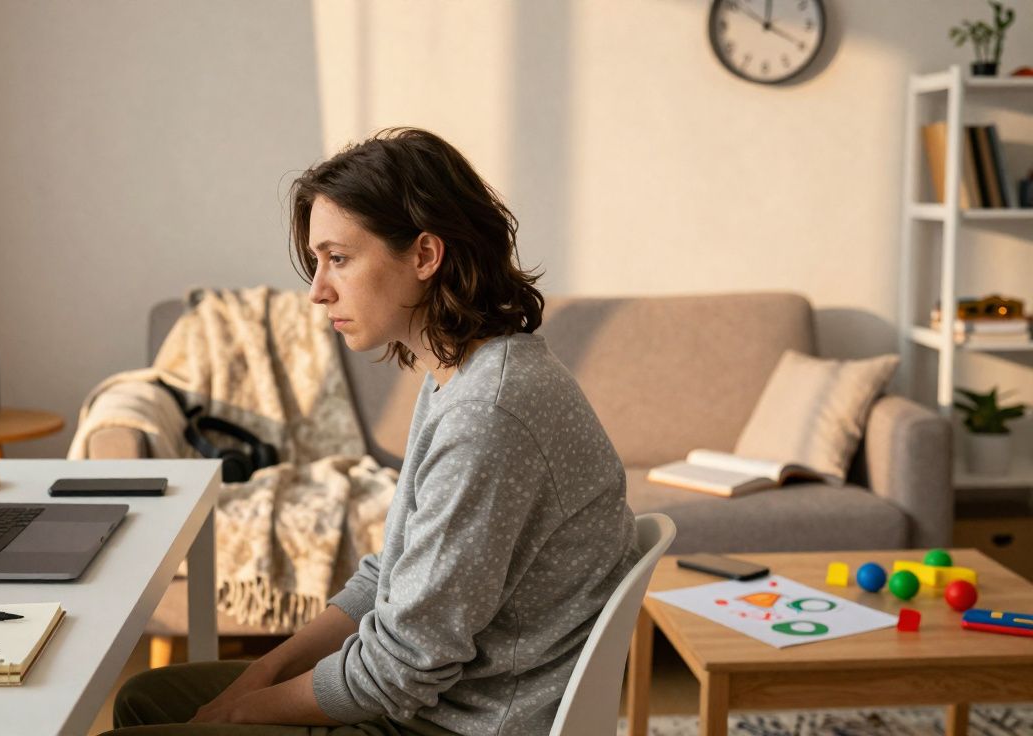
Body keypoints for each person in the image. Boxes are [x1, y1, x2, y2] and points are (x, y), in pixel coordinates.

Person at [108, 128, 638, 735]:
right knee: (147, 697)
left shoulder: (486, 415)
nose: (317, 291)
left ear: (424, 255)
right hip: (444, 702)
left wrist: (238, 710)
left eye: (338, 258)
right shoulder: (465, 375)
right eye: (316, 262)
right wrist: (264, 672)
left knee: (148, 717)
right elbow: (393, 570)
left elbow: (399, 670)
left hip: (456, 723)